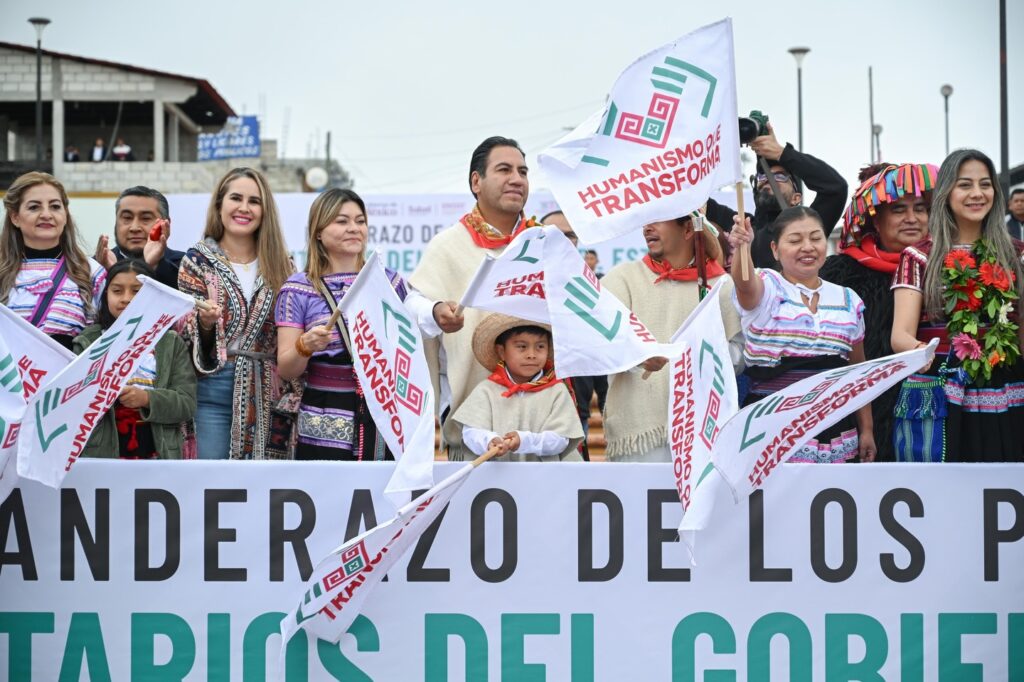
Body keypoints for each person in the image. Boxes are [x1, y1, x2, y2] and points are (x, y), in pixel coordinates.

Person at [891, 149, 1024, 463]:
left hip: (1006, 389)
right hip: (942, 388)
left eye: (985, 184)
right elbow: (900, 336)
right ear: (946, 193)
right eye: (965, 185)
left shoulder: (1016, 254)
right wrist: (926, 355)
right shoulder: (919, 256)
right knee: (942, 483)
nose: (977, 193)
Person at [408, 135, 536, 454]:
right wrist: (436, 311)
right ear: (476, 181)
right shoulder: (449, 246)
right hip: (474, 425)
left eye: (522, 171)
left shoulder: (542, 244)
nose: (516, 179)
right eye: (504, 170)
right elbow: (412, 304)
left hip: (542, 423)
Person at [728, 206, 875, 463]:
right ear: (775, 249)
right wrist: (743, 247)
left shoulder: (848, 299)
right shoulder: (768, 287)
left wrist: (867, 429)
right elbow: (744, 282)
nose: (808, 247)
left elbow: (857, 370)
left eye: (816, 238)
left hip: (833, 424)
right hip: (771, 426)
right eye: (795, 240)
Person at [275, 189, 409, 461]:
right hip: (323, 418)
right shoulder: (298, 289)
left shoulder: (389, 283)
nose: (354, 228)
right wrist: (304, 346)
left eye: (360, 221)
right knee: (326, 487)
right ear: (318, 232)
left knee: (381, 488)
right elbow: (287, 369)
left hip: (384, 413)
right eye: (342, 221)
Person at [819, 162, 939, 461]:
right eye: (898, 210)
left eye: (920, 209)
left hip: (932, 407)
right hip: (859, 410)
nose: (912, 218)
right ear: (876, 219)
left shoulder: (948, 268)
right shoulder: (841, 274)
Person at [602, 213, 740, 462]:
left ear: (687, 229)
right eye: (646, 219)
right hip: (641, 431)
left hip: (703, 430)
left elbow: (739, 354)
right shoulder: (621, 278)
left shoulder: (720, 285)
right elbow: (601, 344)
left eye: (658, 218)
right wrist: (638, 357)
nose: (647, 227)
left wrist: (701, 355)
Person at [177, 167, 294, 460]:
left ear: (265, 211)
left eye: (254, 201)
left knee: (264, 481)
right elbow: (182, 328)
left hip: (268, 388)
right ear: (220, 205)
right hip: (211, 386)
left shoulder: (283, 265)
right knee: (210, 478)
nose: (244, 208)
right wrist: (205, 325)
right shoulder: (197, 260)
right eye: (236, 198)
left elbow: (291, 327)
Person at [74, 259, 196, 459]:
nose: (126, 299)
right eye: (117, 291)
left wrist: (147, 399)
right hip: (102, 452)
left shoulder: (170, 343)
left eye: (137, 292)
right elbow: (74, 401)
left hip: (158, 451)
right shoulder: (88, 342)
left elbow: (186, 404)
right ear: (105, 294)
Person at [706, 123, 848, 269]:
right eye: (762, 176)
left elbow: (835, 188)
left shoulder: (807, 226)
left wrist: (782, 153)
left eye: (779, 176)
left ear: (796, 198)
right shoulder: (742, 226)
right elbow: (696, 201)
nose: (768, 179)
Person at [449, 313, 583, 461]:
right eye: (522, 347)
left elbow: (561, 439)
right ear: (502, 352)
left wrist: (525, 441)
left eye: (540, 346)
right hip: (497, 473)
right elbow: (471, 432)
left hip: (543, 474)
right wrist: (489, 441)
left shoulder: (557, 391)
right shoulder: (487, 390)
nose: (531, 354)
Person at [0, 172, 106, 349]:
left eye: (55, 206)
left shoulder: (91, 272)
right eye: (34, 207)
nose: (46, 214)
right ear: (15, 217)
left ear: (65, 214)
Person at [94, 186, 185, 289]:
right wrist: (109, 273)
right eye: (127, 218)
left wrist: (157, 266)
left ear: (166, 224)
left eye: (145, 218)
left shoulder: (187, 266)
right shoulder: (95, 266)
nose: (134, 228)